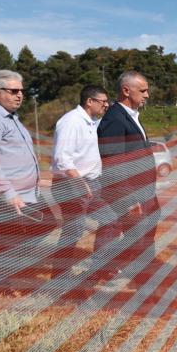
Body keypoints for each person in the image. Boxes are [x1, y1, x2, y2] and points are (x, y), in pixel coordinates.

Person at [0, 70, 56, 256]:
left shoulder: (9, 117)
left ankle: (13, 268)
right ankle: (0, 281)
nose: (20, 95)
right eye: (14, 91)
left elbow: (13, 155)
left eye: (21, 91)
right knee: (8, 246)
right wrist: (9, 193)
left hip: (24, 194)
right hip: (4, 198)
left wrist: (36, 179)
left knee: (44, 226)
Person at [97, 71, 160, 278]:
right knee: (136, 237)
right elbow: (112, 162)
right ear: (126, 90)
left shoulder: (130, 116)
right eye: (142, 90)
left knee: (143, 235)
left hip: (145, 192)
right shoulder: (115, 118)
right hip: (131, 194)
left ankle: (141, 273)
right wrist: (130, 198)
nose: (147, 95)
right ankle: (105, 268)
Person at [51, 84, 111, 260]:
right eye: (103, 102)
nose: (106, 105)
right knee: (73, 232)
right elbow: (62, 159)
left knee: (110, 221)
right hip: (72, 185)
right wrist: (81, 184)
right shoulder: (71, 122)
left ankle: (97, 269)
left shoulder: (89, 121)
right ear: (90, 101)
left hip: (89, 184)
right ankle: (60, 279)